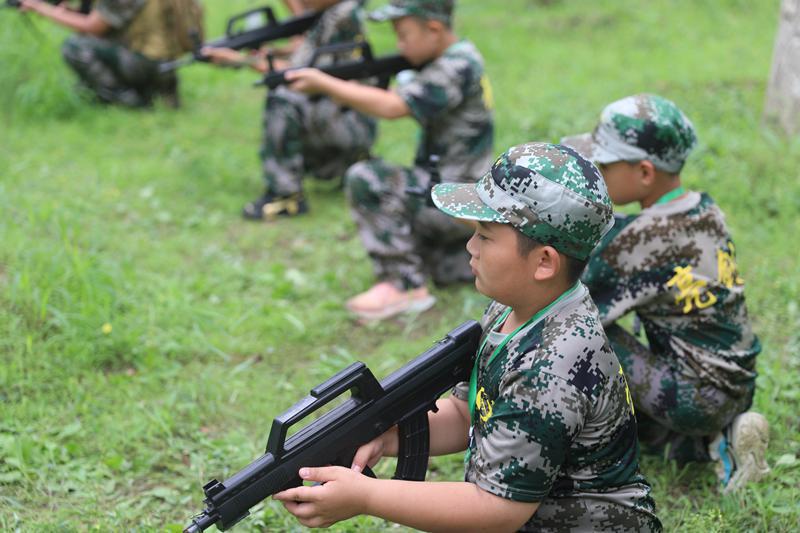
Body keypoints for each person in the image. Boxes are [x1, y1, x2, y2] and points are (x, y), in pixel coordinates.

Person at [273, 142, 662, 532]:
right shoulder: (513, 308)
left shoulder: (551, 365)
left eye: (486, 236)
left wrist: (367, 497)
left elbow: (495, 510)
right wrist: (387, 437)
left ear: (544, 262)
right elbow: (467, 413)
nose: (469, 247)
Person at [562, 93, 770, 493]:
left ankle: (564, 443)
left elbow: (566, 298)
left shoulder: (639, 242)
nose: (595, 172)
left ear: (644, 173)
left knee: (573, 325)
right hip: (733, 382)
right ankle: (718, 441)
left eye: (603, 165)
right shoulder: (705, 211)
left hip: (695, 396)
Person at [284, 0, 494, 320]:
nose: (399, 44)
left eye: (403, 34)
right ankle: (447, 260)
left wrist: (324, 83)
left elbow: (393, 107)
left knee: (368, 177)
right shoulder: (453, 58)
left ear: (434, 29)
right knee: (446, 267)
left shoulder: (457, 66)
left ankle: (404, 285)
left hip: (458, 198)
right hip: (459, 195)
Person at [204, 0, 378, 221]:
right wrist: (271, 52)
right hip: (350, 120)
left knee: (282, 97)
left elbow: (299, 76)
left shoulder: (341, 17)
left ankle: (285, 194)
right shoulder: (333, 11)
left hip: (350, 123)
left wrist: (239, 59)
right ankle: (351, 163)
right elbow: (306, 53)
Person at [19, 0, 200, 108]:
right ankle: (157, 95)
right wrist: (65, 11)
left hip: (144, 65)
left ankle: (127, 102)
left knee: (75, 47)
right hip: (167, 67)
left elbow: (92, 27)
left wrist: (41, 8)